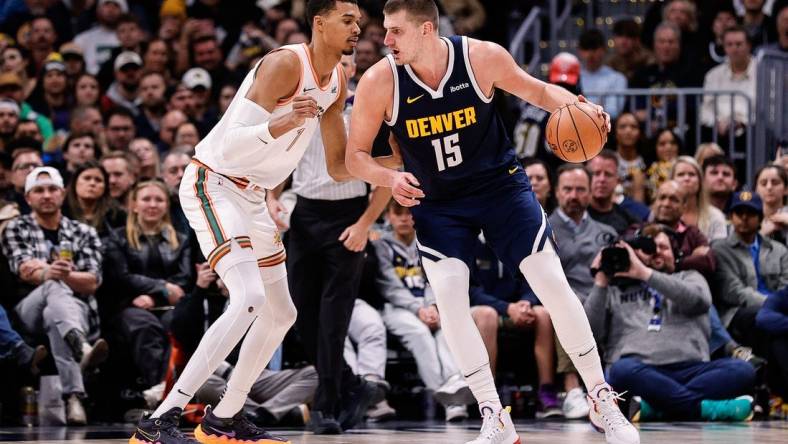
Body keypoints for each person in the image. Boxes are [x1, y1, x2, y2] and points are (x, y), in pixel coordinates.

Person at [345, 2, 639, 443]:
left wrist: (584, 107)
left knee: (552, 282)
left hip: (499, 186)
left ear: (426, 30)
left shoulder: (480, 57)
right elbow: (355, 157)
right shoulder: (380, 81)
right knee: (449, 298)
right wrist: (390, 177)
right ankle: (493, 416)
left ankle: (600, 399)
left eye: (395, 31)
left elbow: (541, 93)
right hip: (439, 200)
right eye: (385, 31)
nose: (385, 41)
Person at [129, 1, 394, 443]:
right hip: (213, 182)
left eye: (359, 23)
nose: (357, 29)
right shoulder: (285, 64)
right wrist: (285, 120)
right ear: (319, 22)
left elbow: (336, 165)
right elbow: (229, 147)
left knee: (281, 312)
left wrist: (391, 169)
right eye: (348, 20)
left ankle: (224, 418)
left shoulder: (339, 78)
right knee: (249, 297)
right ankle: (159, 420)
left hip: (251, 195)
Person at [586, 224, 756, 422]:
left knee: (742, 370)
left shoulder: (690, 277)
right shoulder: (615, 289)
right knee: (620, 370)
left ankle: (657, 409)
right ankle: (706, 409)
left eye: (663, 247)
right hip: (640, 372)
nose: (657, 252)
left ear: (675, 254)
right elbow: (590, 334)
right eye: (649, 248)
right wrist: (600, 281)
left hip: (692, 370)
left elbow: (699, 301)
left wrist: (645, 274)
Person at [1, 167, 107, 425]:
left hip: (78, 310)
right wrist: (55, 273)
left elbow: (93, 282)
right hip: (28, 312)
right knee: (52, 287)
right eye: (39, 190)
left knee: (54, 313)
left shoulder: (84, 232)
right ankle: (81, 348)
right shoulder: (16, 228)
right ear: (28, 198)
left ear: (62, 194)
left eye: (52, 189)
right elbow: (23, 269)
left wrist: (55, 273)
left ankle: (74, 398)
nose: (46, 195)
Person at [670, 156, 727, 240]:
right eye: (681, 174)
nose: (687, 178)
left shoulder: (716, 216)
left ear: (700, 181)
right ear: (671, 180)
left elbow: (720, 250)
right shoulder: (661, 213)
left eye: (691, 174)